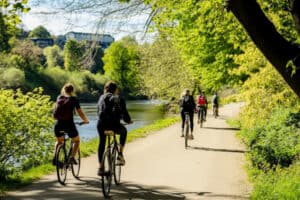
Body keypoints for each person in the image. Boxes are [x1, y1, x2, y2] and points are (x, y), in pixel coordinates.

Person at [97, 81, 133, 176]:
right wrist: (129, 121)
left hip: (101, 125)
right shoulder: (119, 98)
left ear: (106, 89)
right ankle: (120, 155)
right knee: (124, 131)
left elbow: (99, 112)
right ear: (116, 90)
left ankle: (100, 168)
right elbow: (125, 114)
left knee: (102, 143)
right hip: (114, 125)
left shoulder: (101, 97)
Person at [53, 83, 89, 165]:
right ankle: (72, 157)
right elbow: (80, 112)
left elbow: (55, 110)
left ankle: (55, 158)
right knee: (76, 141)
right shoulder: (74, 99)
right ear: (72, 91)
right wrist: (85, 120)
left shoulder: (59, 97)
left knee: (59, 142)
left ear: (64, 90)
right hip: (69, 125)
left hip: (58, 124)